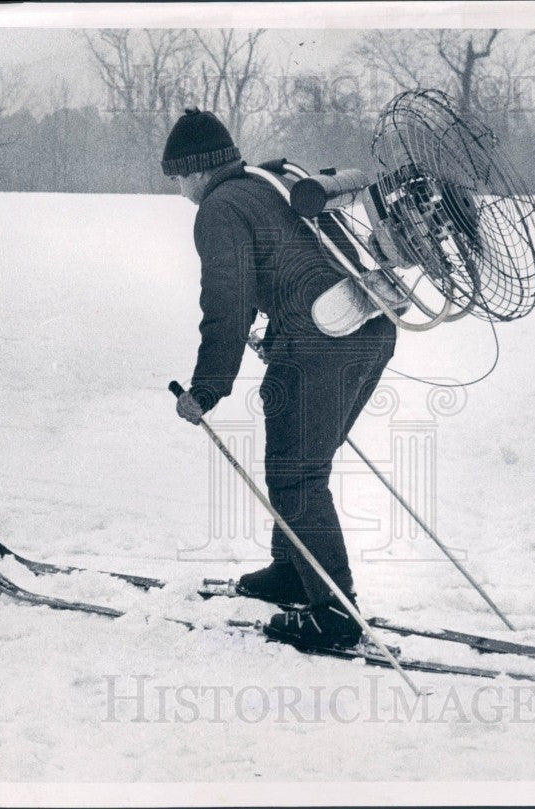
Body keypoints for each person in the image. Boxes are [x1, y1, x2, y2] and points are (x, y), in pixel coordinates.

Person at [165, 108, 396, 649]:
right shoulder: (270, 182)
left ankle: (335, 614)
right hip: (370, 325)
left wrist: (206, 388)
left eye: (177, 176)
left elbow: (227, 304)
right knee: (300, 464)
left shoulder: (220, 209)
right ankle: (293, 571)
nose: (178, 189)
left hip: (324, 341)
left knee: (296, 473)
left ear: (199, 170)